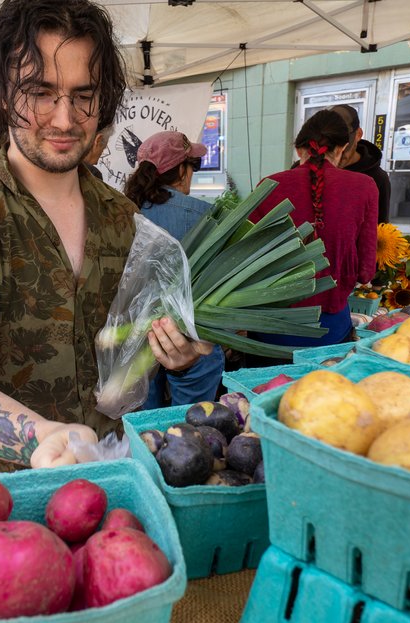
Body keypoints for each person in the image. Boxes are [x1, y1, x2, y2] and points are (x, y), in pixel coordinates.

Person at [0, 0, 209, 471]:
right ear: (4, 94)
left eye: (83, 95)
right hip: (18, 492)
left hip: (119, 472)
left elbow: (133, 349)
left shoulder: (123, 218)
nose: (66, 119)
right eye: (41, 93)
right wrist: (41, 439)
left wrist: (177, 354)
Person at [246, 109, 378, 365]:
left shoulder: (268, 186)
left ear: (299, 149)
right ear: (342, 148)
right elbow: (365, 272)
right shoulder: (364, 187)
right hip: (329, 332)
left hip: (268, 331)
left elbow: (248, 260)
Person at [124, 130, 225, 409]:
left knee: (147, 425)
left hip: (136, 339)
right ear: (181, 169)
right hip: (193, 341)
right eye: (193, 165)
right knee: (191, 420)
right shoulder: (206, 217)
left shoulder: (125, 212)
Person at [330, 104, 391, 223]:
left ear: (358, 134)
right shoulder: (305, 169)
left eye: (344, 150)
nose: (337, 158)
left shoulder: (377, 178)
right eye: (330, 150)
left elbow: (381, 228)